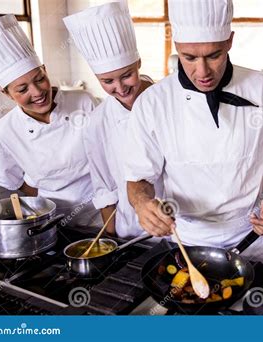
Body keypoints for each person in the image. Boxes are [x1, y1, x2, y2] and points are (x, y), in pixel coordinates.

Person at [124, 0, 263, 265]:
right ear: (176, 46)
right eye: (189, 58)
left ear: (230, 41)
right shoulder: (153, 103)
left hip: (250, 237)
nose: (203, 71)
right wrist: (141, 203)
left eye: (213, 55)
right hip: (186, 241)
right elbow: (138, 179)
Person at [0, 15, 101, 228]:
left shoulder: (83, 101)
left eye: (39, 79)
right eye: (22, 89)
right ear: (6, 93)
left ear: (45, 69)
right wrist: (46, 199)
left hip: (103, 212)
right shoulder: (3, 132)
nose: (37, 92)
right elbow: (11, 184)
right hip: (50, 222)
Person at [64, 2, 160, 237]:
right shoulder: (96, 122)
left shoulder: (169, 100)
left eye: (127, 75)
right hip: (133, 231)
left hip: (182, 226)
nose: (120, 87)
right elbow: (103, 185)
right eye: (107, 81)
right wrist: (111, 237)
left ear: (138, 62)